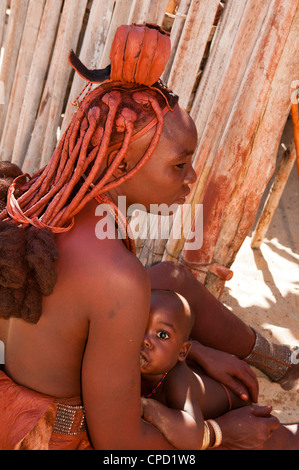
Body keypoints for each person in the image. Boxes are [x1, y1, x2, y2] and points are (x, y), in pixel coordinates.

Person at [0, 23, 297, 450]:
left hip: (18, 386)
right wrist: (219, 435)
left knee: (172, 280)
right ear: (122, 168)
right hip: (53, 436)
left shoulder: (32, 197)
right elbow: (120, 447)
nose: (191, 178)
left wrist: (190, 350)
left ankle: (279, 362)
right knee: (271, 439)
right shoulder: (116, 277)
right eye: (179, 165)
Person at [140, 289, 299, 450]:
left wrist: (148, 407)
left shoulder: (176, 378)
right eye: (141, 327)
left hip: (233, 406)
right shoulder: (140, 359)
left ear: (182, 351)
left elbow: (193, 436)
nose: (145, 340)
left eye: (162, 335)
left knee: (273, 442)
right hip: (204, 397)